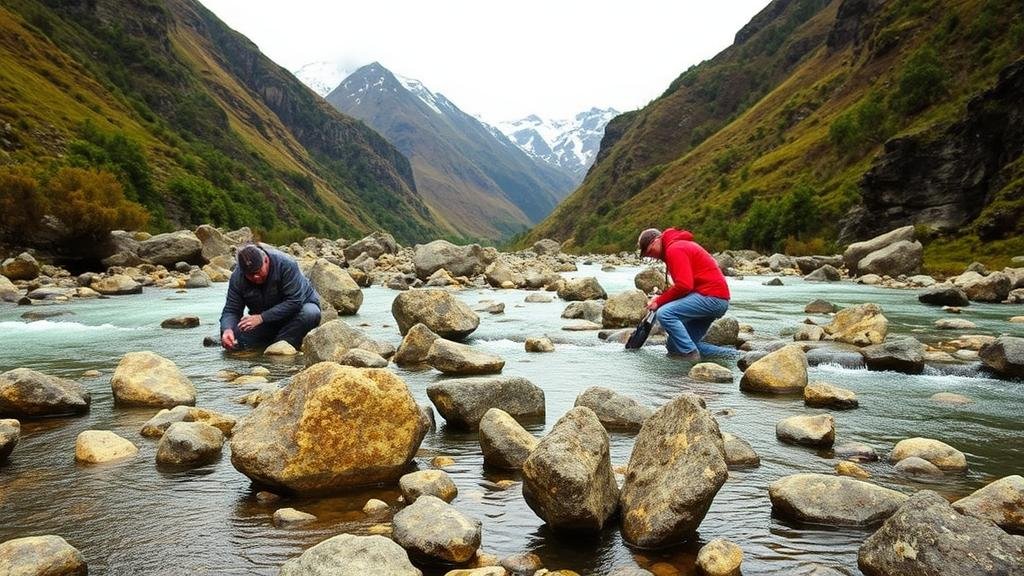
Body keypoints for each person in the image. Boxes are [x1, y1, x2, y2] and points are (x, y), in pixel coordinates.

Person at [637, 228, 734, 360]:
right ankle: (738, 357)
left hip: (712, 298)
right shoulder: (677, 246)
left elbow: (684, 285)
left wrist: (659, 302)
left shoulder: (675, 249)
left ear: (656, 241)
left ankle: (691, 355)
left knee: (665, 313)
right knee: (675, 347)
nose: (651, 257)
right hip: (713, 298)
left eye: (649, 252)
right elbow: (686, 285)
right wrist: (660, 298)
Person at [219, 243, 321, 350]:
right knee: (233, 336)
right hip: (266, 321)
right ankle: (270, 345)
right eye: (250, 275)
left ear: (266, 260)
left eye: (258, 271)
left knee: (311, 313)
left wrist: (261, 318)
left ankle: (279, 346)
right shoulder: (237, 277)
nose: (256, 277)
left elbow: (294, 301)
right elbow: (231, 310)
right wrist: (227, 329)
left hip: (295, 314)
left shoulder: (287, 264)